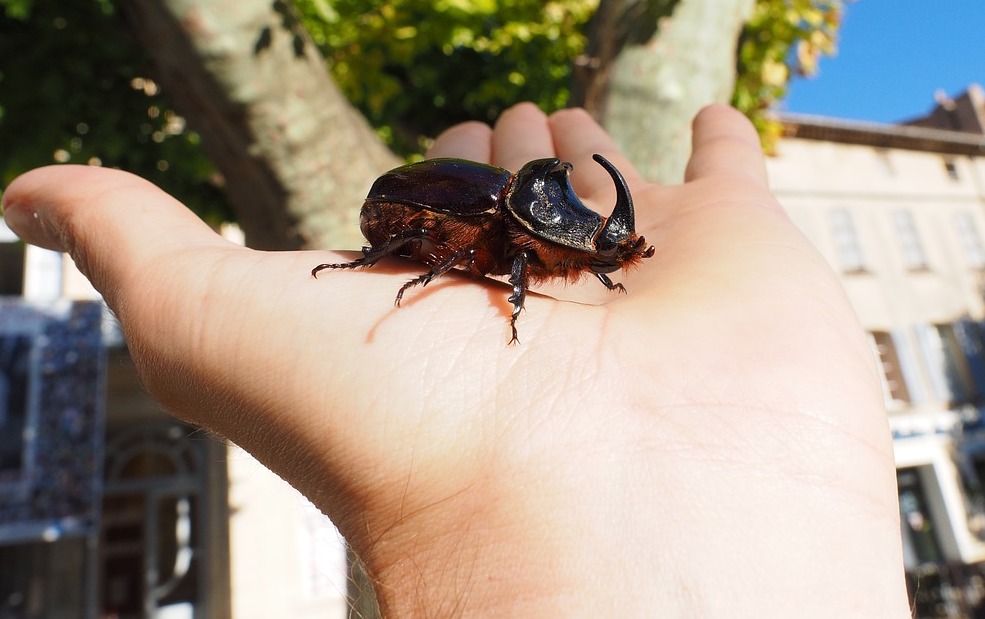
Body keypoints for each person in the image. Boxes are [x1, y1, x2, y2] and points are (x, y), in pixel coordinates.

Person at [2, 103, 909, 616]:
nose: (592, 252)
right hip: (398, 216)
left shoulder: (545, 228)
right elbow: (500, 252)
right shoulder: (504, 223)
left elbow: (555, 249)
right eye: (588, 243)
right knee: (445, 251)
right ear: (550, 228)